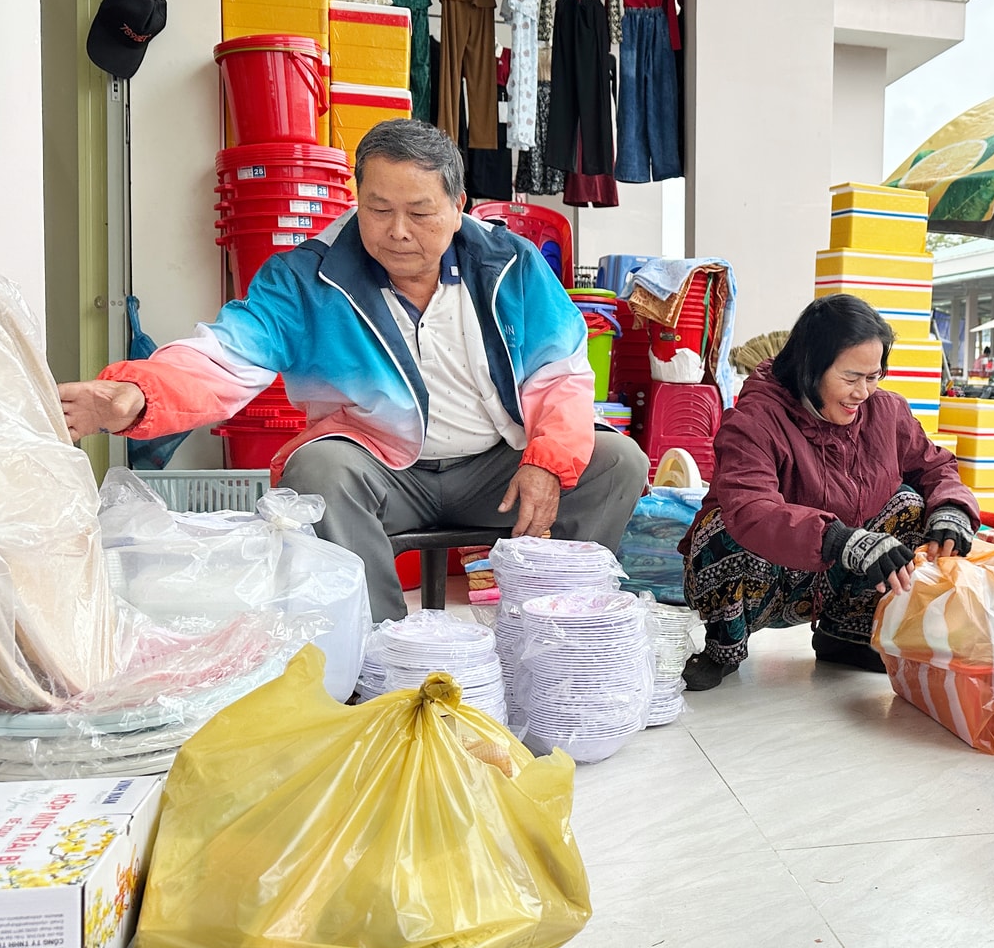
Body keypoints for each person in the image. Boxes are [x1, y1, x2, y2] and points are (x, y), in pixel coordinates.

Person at [58, 118, 647, 621]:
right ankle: (379, 652)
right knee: (317, 468)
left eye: (420, 212)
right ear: (355, 202)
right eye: (378, 209)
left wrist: (547, 462)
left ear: (458, 206)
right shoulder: (305, 278)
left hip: (496, 468)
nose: (397, 231)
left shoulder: (509, 262)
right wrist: (137, 393)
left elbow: (561, 375)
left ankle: (559, 626)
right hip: (383, 473)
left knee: (615, 462)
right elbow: (225, 354)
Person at [679, 294, 979, 691]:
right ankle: (724, 646)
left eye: (873, 377)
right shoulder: (755, 420)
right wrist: (840, 539)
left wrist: (954, 509)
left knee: (911, 505)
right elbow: (751, 508)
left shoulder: (887, 413)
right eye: (851, 378)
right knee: (724, 530)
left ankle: (845, 636)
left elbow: (935, 467)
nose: (863, 392)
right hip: (769, 580)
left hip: (836, 576)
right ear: (810, 368)